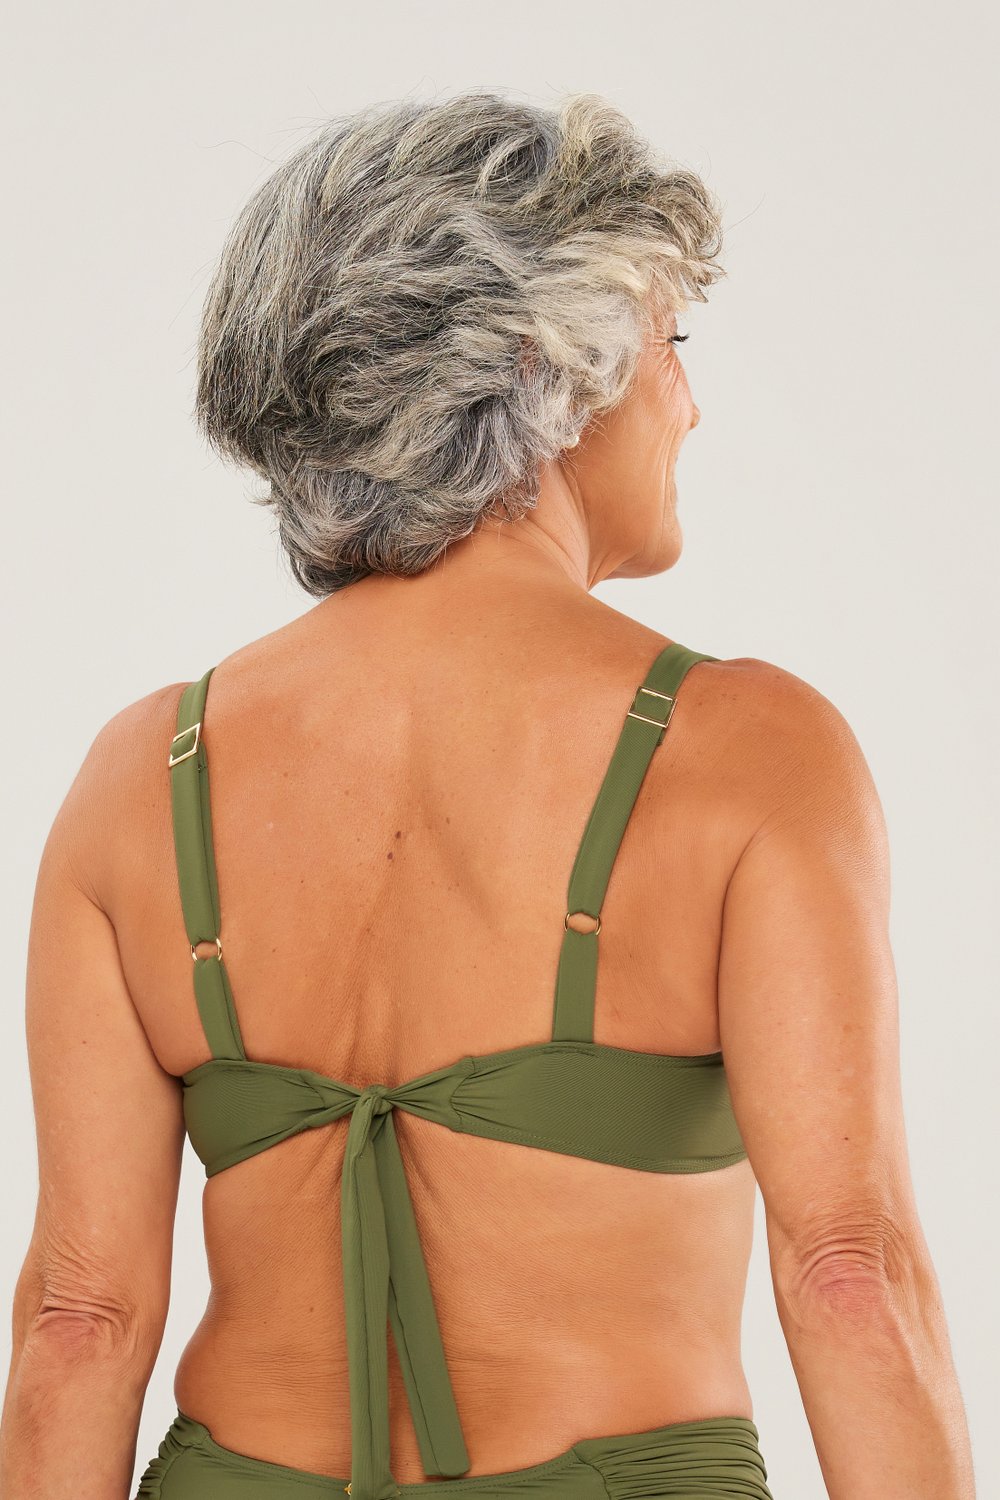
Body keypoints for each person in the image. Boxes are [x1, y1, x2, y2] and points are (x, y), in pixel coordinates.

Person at [0, 90, 975, 1500]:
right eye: (671, 346)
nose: (689, 403)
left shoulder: (141, 775)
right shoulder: (750, 750)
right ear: (550, 365)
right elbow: (850, 1275)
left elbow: (77, 1321)